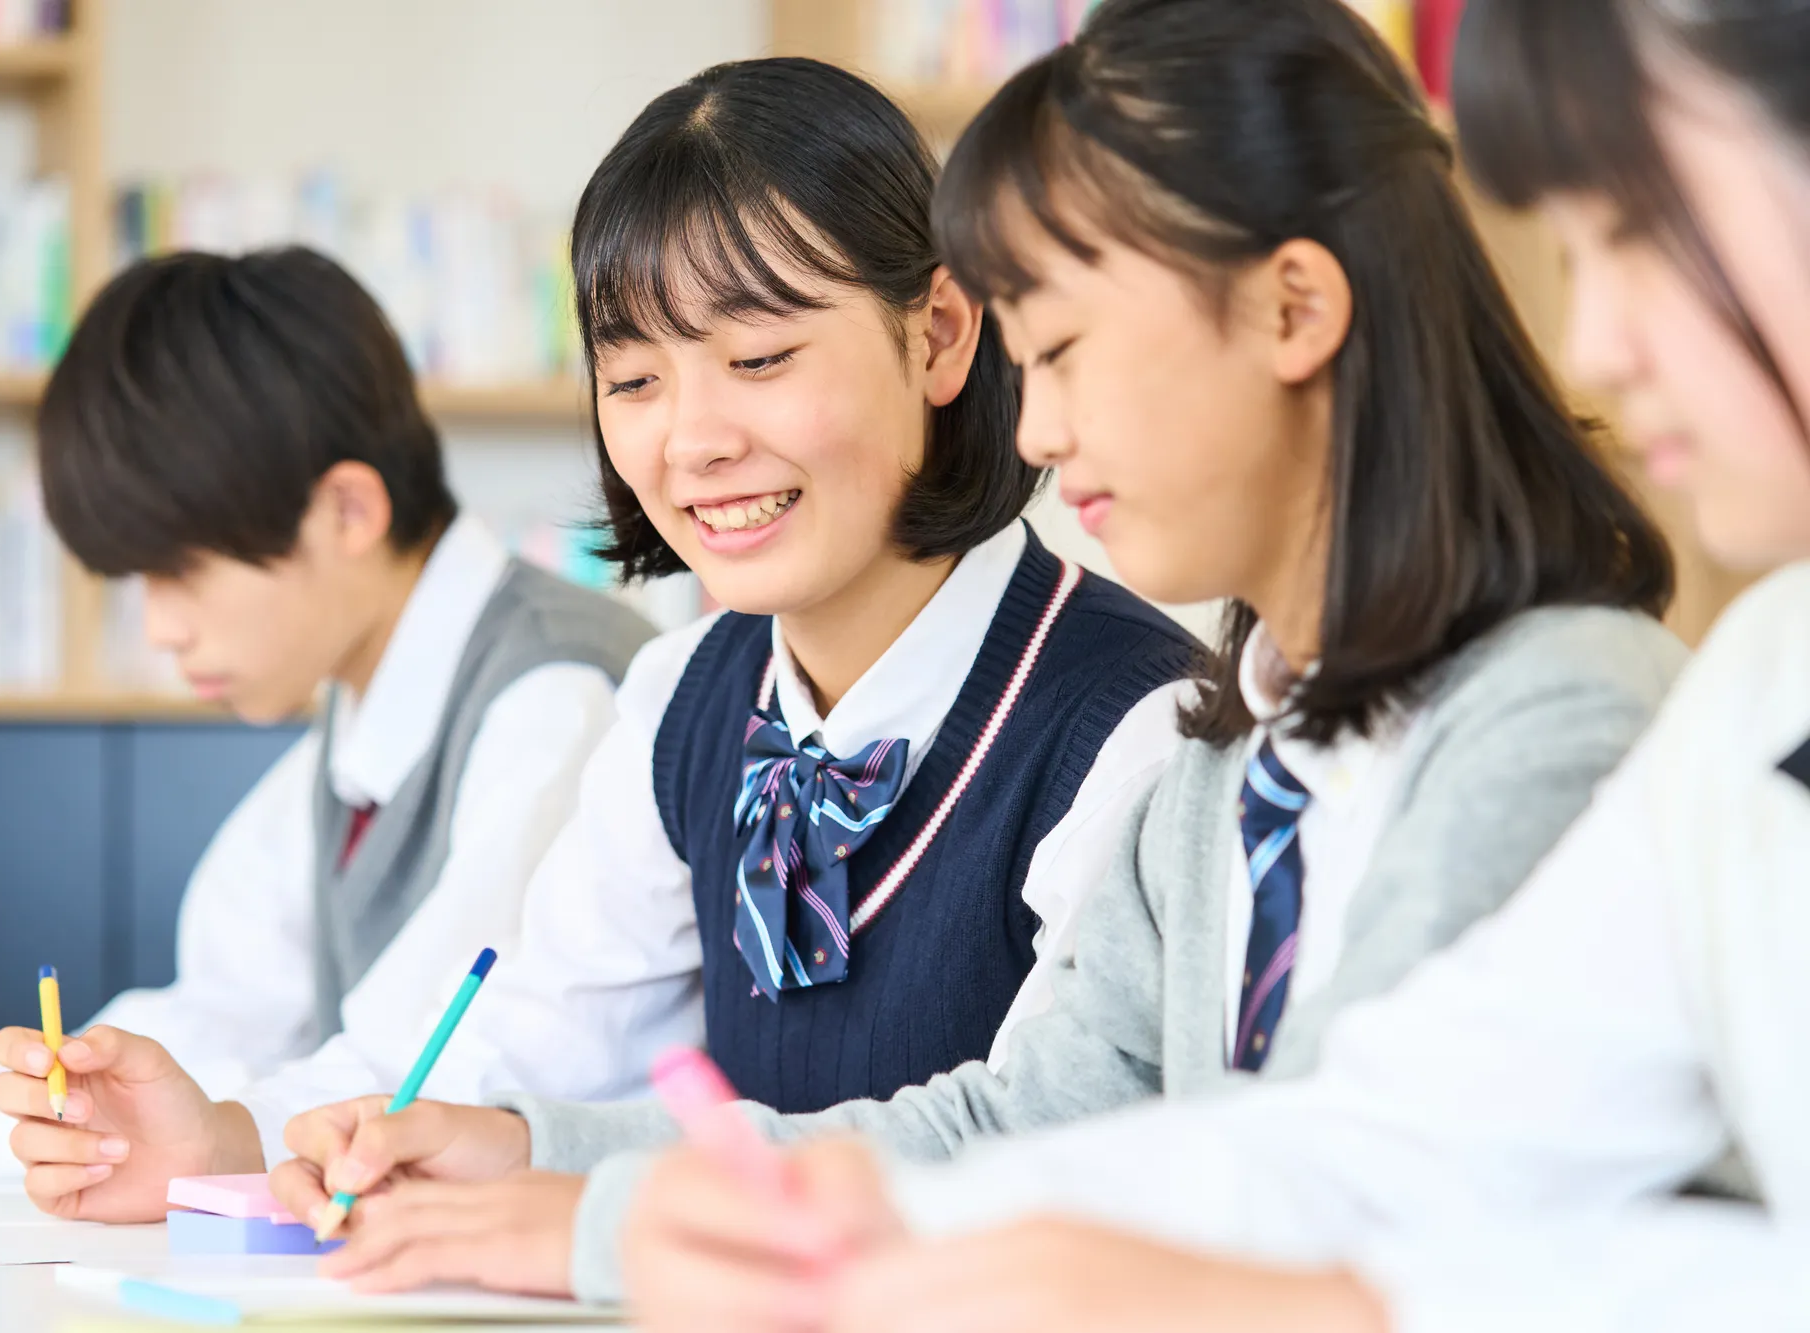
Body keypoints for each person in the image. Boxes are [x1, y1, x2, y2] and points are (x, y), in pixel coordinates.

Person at [282, 1, 1688, 1301]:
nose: (1036, 430)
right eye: (635, 377)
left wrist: (592, 1220)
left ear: (1292, 310)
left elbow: (1316, 1188)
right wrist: (543, 1157)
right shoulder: (1229, 766)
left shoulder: (1549, 717)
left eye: (1064, 350)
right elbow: (1022, 1126)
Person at [624, 1, 1810, 1328]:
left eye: (1638, 236)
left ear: (1297, 304)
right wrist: (889, 1220)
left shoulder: (1569, 706)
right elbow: (1387, 1136)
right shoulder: (1758, 676)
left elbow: (1445, 1207)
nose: (1598, 346)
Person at [0, 59, 1201, 1245]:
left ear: (938, 334)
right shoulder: (684, 702)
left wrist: (562, 1207)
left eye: (759, 358)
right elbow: (525, 1047)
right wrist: (236, 1145)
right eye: (633, 378)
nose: (690, 440)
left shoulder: (1131, 722)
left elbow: (1045, 1147)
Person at [0, 247, 654, 1182]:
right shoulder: (364, 712)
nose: (163, 629)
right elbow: (218, 1015)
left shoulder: (555, 699)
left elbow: (414, 1074)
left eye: (181, 573)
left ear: (346, 510)